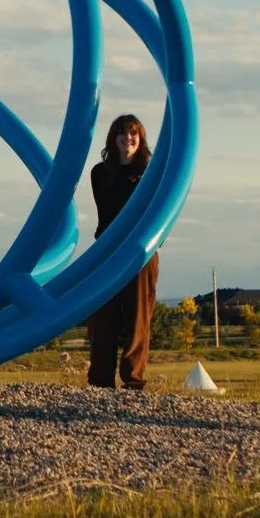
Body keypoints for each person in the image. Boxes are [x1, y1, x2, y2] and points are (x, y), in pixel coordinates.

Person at [87, 114, 159, 390]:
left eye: (133, 133)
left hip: (141, 252)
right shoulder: (100, 173)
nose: (127, 138)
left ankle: (134, 380)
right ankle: (100, 381)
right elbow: (109, 211)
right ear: (113, 138)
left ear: (140, 140)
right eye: (122, 132)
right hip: (107, 250)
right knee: (101, 315)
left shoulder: (151, 174)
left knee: (138, 316)